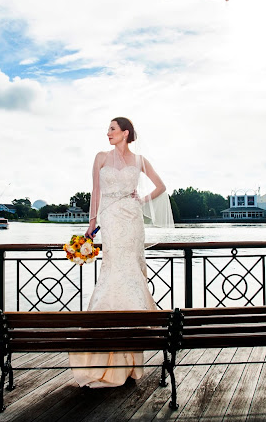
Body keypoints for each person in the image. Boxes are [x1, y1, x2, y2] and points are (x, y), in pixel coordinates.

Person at [69, 117, 173, 388]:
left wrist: (142, 199)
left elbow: (161, 186)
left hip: (131, 219)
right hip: (111, 220)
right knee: (112, 271)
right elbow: (95, 190)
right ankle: (109, 349)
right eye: (108, 130)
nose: (108, 133)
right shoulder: (100, 157)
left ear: (125, 133)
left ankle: (128, 352)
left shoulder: (140, 161)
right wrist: (92, 223)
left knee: (130, 273)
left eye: (112, 129)